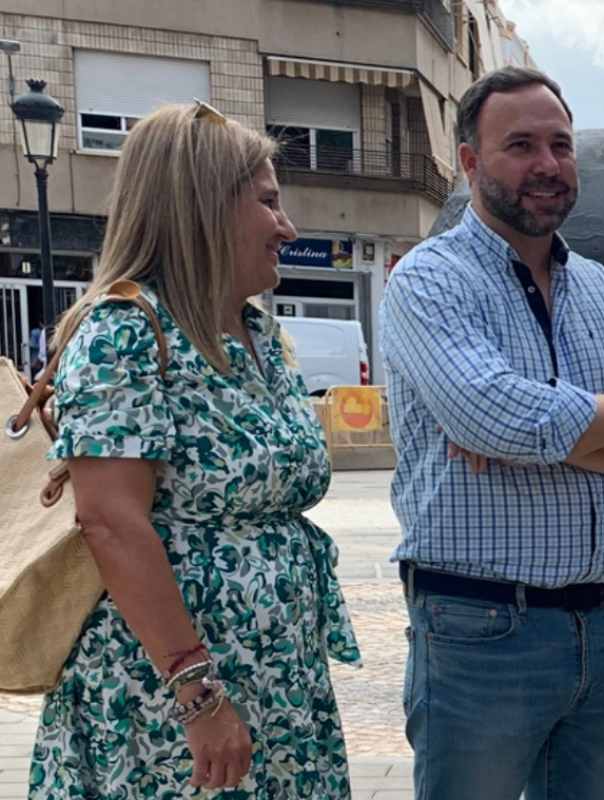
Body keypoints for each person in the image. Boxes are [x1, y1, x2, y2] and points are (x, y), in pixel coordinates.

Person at [28, 103, 362, 797]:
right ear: (202, 208)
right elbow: (112, 523)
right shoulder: (123, 332)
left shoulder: (259, 335)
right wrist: (200, 699)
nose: (286, 228)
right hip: (169, 702)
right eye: (268, 203)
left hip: (279, 683)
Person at [380, 66, 604, 800]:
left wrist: (531, 429)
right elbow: (495, 414)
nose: (547, 165)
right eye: (519, 145)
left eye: (560, 144)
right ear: (468, 161)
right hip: (478, 628)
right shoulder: (428, 281)